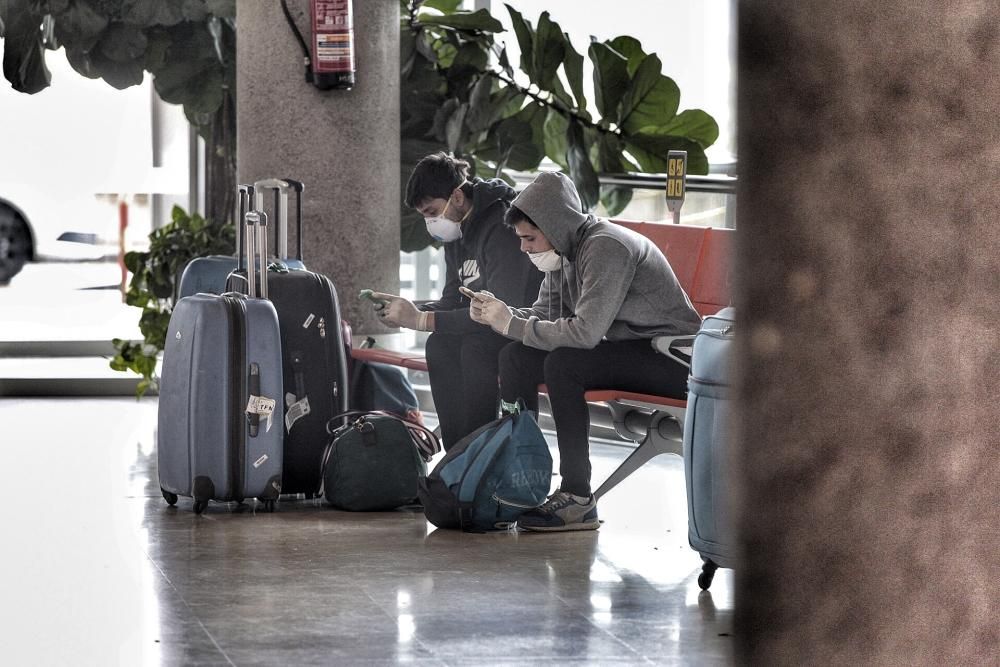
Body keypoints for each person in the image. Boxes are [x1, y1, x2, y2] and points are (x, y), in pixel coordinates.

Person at [469, 171, 703, 531]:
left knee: (565, 364)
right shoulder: (564, 252)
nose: (524, 248)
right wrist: (499, 314)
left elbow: (584, 333)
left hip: (673, 359)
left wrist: (511, 325)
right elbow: (542, 316)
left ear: (554, 225)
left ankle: (578, 497)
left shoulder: (606, 246)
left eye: (529, 238)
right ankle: (520, 477)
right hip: (630, 349)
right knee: (514, 356)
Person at [367, 153, 542, 449]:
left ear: (457, 196)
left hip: (519, 328)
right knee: (439, 343)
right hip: (484, 328)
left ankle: (479, 453)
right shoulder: (458, 234)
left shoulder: (503, 225)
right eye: (424, 215)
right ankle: (457, 454)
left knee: (475, 349)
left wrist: (420, 320)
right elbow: (452, 299)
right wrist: (408, 312)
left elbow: (501, 311)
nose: (431, 222)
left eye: (432, 211)